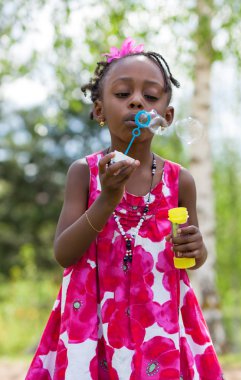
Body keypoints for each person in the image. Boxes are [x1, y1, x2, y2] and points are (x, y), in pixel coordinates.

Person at [26, 37, 224, 379]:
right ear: (99, 110)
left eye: (150, 96)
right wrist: (107, 198)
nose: (137, 102)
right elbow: (64, 253)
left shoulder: (181, 182)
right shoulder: (84, 174)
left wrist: (198, 249)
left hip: (158, 327)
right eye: (122, 95)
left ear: (166, 115)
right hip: (93, 326)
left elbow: (190, 259)